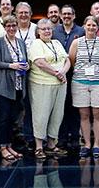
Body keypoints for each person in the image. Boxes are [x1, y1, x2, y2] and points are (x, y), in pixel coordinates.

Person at [69, 16, 99, 158]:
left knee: (98, 115)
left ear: (97, 27)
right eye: (89, 25)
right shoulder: (76, 43)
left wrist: (97, 74)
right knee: (84, 115)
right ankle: (87, 144)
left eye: (94, 25)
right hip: (80, 82)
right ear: (84, 26)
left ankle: (96, 145)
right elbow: (72, 61)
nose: (91, 28)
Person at [28, 19, 71, 160]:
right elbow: (39, 62)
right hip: (42, 84)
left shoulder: (56, 43)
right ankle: (39, 147)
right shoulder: (36, 44)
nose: (47, 31)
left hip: (60, 83)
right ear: (38, 31)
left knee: (57, 115)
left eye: (49, 29)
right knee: (41, 114)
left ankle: (52, 145)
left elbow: (67, 60)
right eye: (43, 29)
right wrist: (56, 73)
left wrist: (63, 72)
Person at [0, 15, 28, 161]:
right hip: (2, 87)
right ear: (4, 27)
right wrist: (11, 66)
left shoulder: (21, 42)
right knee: (3, 118)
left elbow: (25, 58)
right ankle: (2, 146)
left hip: (17, 86)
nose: (11, 28)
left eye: (14, 25)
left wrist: (26, 66)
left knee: (13, 119)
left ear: (17, 27)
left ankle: (10, 145)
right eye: (8, 26)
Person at [53, 4, 85, 149]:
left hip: (77, 74)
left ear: (74, 16)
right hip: (59, 74)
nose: (66, 16)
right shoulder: (54, 31)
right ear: (60, 16)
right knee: (61, 107)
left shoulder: (81, 31)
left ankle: (76, 137)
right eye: (64, 14)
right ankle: (62, 137)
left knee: (76, 105)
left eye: (69, 14)